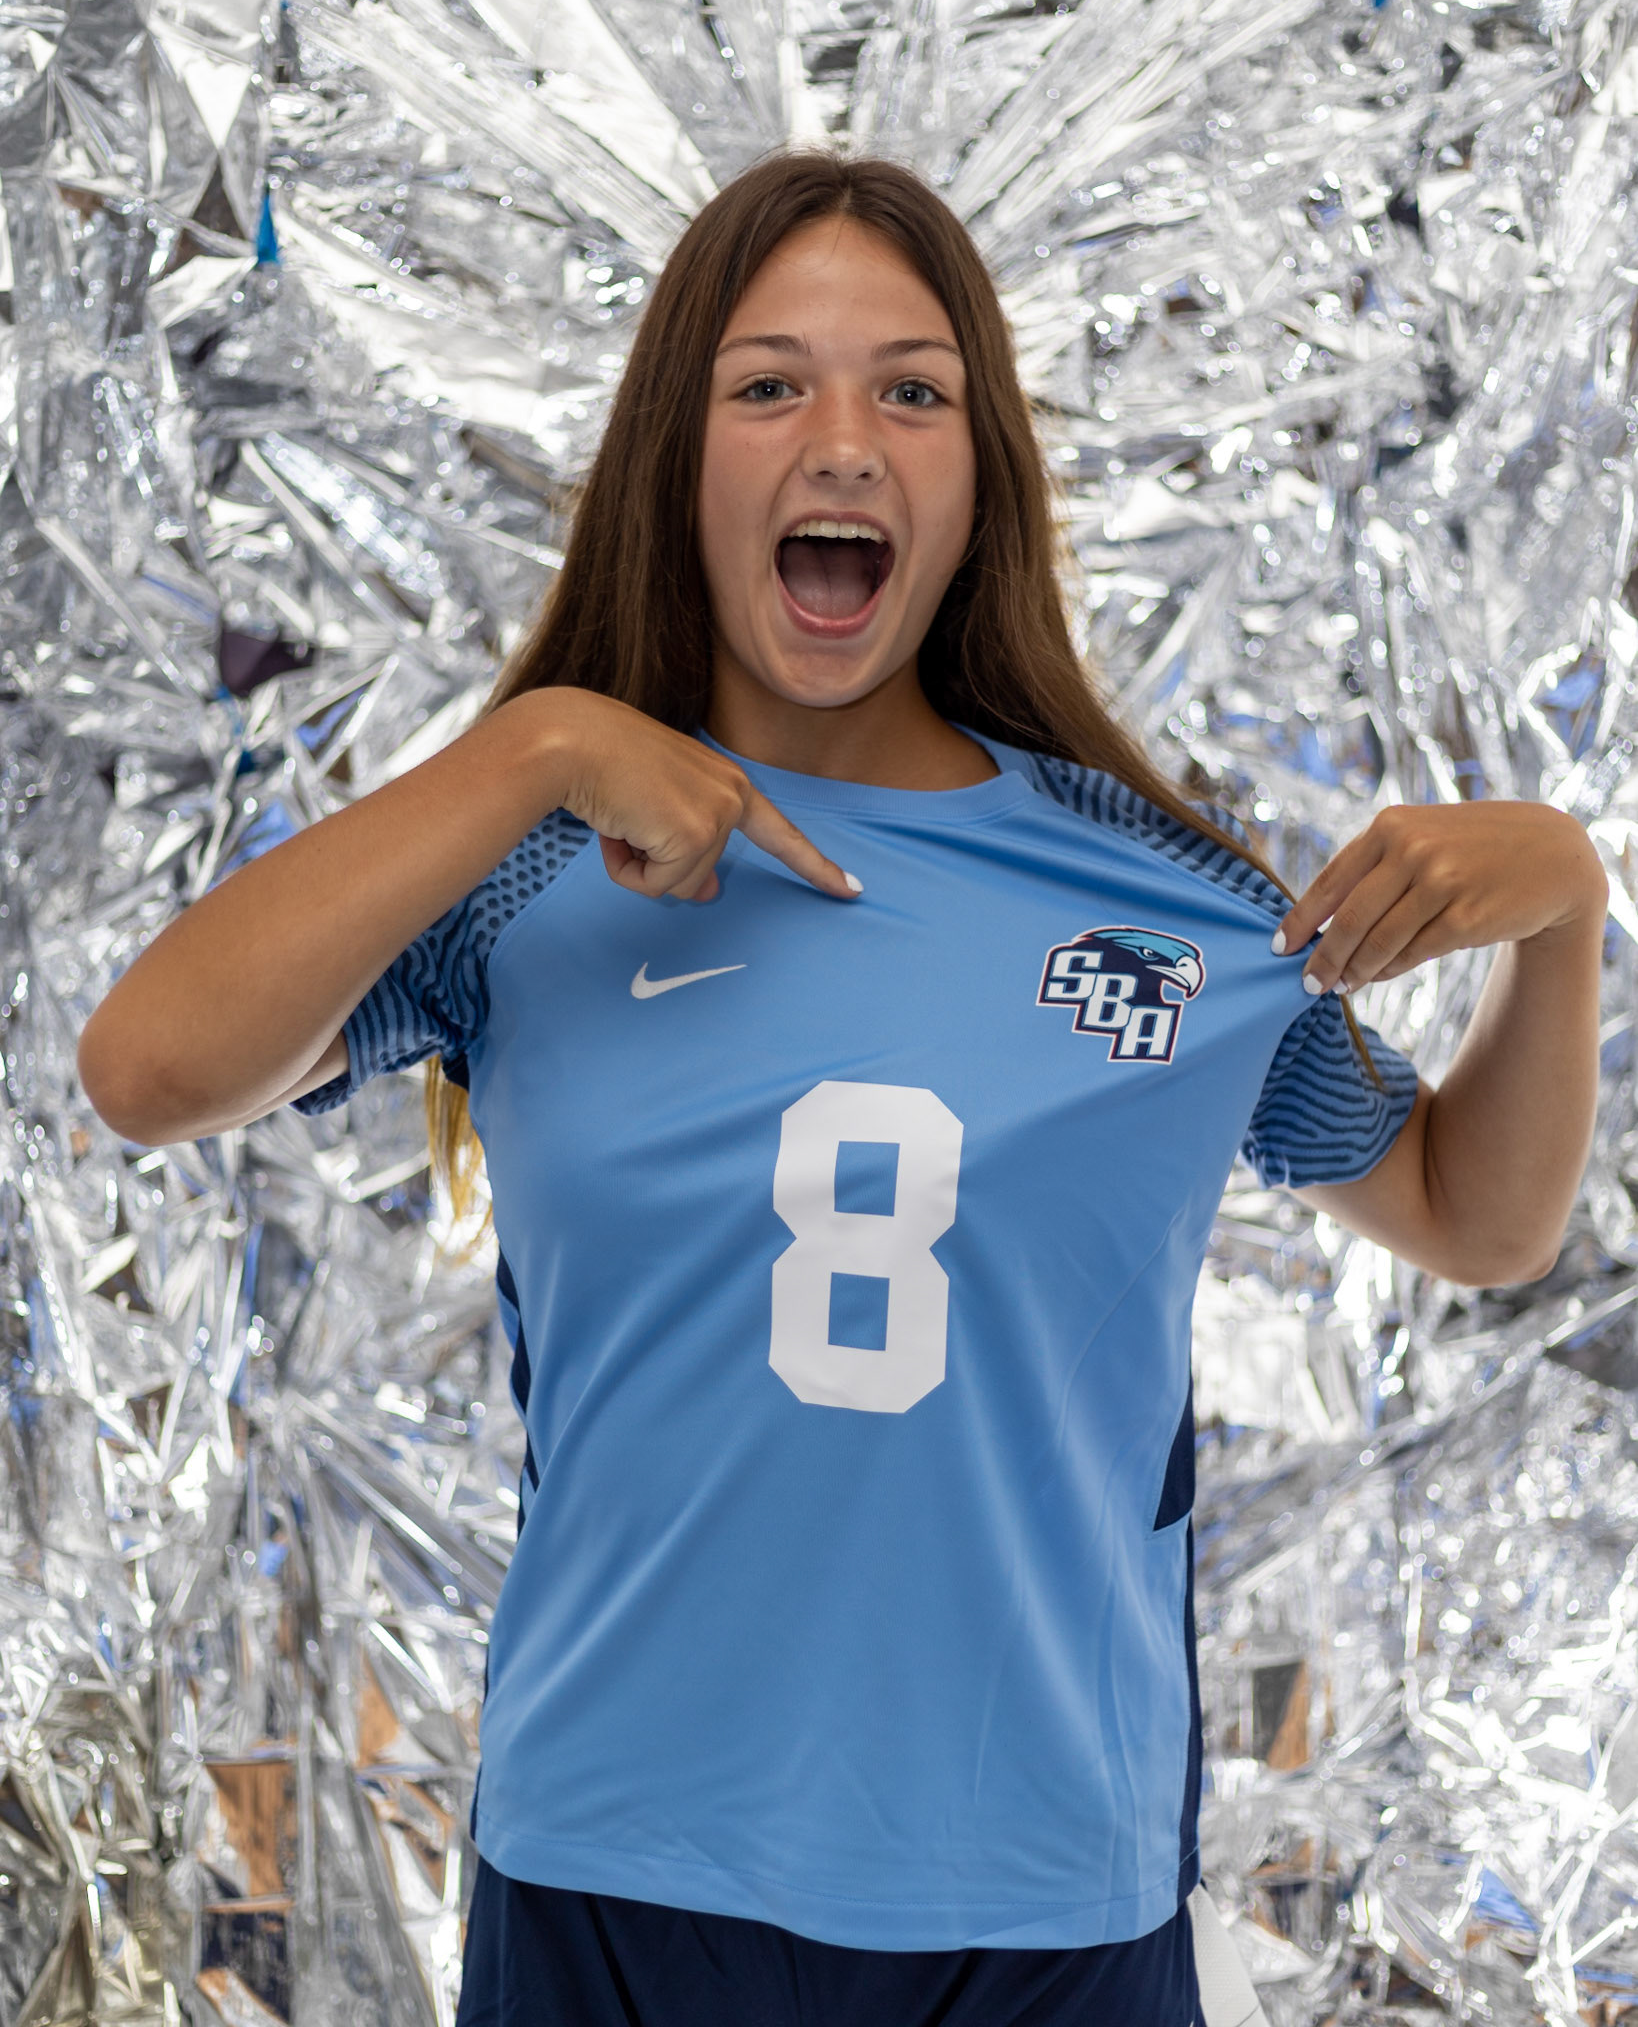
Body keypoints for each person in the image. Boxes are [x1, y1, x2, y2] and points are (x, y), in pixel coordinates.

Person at [78, 152, 1605, 2027]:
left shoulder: (1170, 903)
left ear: (978, 480)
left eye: (910, 387)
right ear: (677, 456)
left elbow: (1479, 1215)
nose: (845, 437)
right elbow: (147, 1072)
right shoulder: (524, 874)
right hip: (619, 1873)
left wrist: (1565, 905)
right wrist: (542, 743)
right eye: (767, 382)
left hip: (1044, 1894)